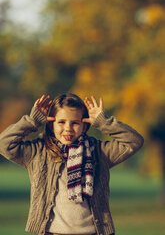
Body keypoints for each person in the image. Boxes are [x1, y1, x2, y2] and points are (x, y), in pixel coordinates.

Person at [0, 93, 144, 235]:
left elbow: (134, 141)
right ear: (51, 124)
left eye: (75, 123)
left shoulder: (98, 151)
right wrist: (32, 122)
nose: (68, 128)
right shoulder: (37, 151)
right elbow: (4, 144)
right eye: (61, 122)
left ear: (84, 125)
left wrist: (104, 123)